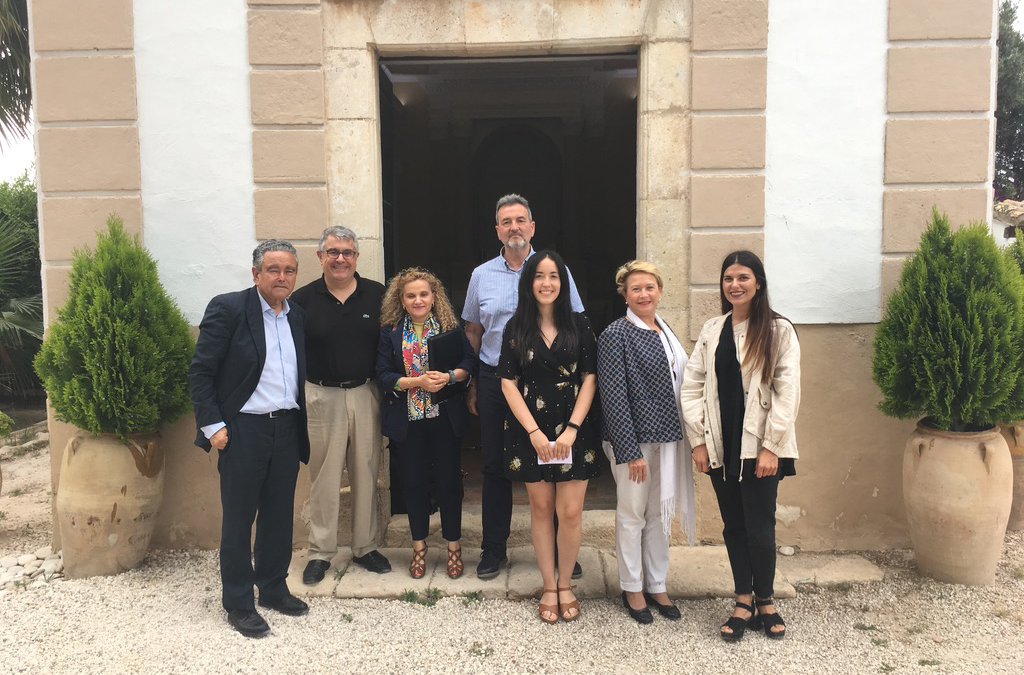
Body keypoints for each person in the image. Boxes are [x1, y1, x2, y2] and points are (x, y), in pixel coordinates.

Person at [188, 239, 310, 638]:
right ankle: (239, 603)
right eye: (273, 269)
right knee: (239, 521)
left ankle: (273, 588)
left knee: (278, 517)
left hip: (286, 428)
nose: (282, 276)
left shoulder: (296, 317)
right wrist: (214, 426)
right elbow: (201, 372)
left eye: (288, 270)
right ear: (255, 273)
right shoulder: (229, 308)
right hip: (243, 431)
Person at [463, 193, 585, 580]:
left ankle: (560, 550)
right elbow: (473, 330)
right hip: (497, 383)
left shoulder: (553, 272)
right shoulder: (481, 275)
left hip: (549, 385)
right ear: (497, 230)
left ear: (533, 227)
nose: (513, 227)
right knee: (495, 466)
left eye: (520, 220)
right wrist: (473, 383)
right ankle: (493, 549)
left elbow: (576, 322)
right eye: (506, 222)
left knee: (551, 464)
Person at [681, 250, 801, 642]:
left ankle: (766, 600)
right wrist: (698, 440)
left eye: (743, 277)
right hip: (721, 444)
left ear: (759, 283)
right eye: (728, 278)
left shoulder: (779, 330)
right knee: (734, 525)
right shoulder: (713, 329)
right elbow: (693, 385)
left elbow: (787, 392)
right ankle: (743, 599)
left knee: (760, 526)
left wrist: (771, 447)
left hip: (760, 446)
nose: (735, 284)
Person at [498, 250, 599, 624]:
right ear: (529, 283)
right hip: (531, 430)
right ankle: (549, 586)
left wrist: (571, 429)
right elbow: (507, 382)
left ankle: (567, 584)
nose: (546, 283)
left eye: (554, 276)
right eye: (539, 276)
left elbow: (590, 378)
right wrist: (535, 433)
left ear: (563, 282)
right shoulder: (516, 327)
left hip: (575, 427)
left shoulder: (580, 324)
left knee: (570, 512)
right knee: (540, 509)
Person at [289, 226, 391, 583]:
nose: (340, 259)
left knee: (366, 471)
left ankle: (365, 547)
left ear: (357, 257)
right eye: (333, 252)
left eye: (347, 252)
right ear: (320, 257)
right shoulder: (301, 301)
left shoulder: (378, 295)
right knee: (324, 477)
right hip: (321, 396)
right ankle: (320, 552)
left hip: (366, 394)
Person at [597, 260, 695, 625]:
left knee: (658, 516)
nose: (644, 294)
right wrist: (629, 449)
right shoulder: (615, 334)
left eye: (649, 287)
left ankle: (657, 583)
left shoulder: (665, 330)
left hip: (668, 440)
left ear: (659, 291)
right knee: (632, 515)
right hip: (634, 443)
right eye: (636, 288)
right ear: (625, 293)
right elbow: (613, 395)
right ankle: (632, 587)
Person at [375, 268, 477, 579]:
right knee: (414, 483)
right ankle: (418, 547)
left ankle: (453, 547)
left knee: (448, 483)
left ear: (434, 297)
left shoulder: (449, 327)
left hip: (443, 418)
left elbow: (469, 362)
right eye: (411, 295)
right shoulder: (390, 331)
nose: (418, 300)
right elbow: (382, 375)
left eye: (423, 294)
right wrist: (414, 381)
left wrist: (449, 377)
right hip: (408, 420)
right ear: (401, 300)